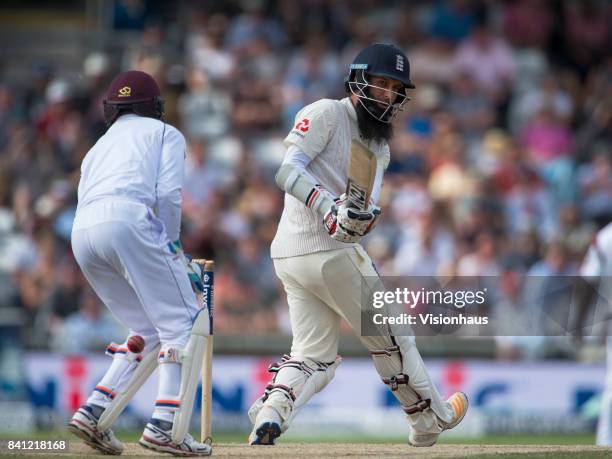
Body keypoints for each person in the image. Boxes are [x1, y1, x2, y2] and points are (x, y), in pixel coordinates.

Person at [248, 43, 468, 447]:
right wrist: (328, 206)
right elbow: (287, 169)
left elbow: (363, 208)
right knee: (393, 336)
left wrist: (358, 219)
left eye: (395, 88)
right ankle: (430, 419)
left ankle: (270, 413)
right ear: (358, 80)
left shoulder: (378, 147)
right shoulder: (327, 112)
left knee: (315, 356)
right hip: (323, 253)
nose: (388, 94)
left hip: (298, 256)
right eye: (381, 83)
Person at [67, 70, 212, 456]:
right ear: (154, 106)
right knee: (185, 322)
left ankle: (94, 410)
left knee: (146, 328)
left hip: (83, 231)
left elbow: (84, 196)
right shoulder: (165, 133)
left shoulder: (95, 148)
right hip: (131, 220)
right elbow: (168, 194)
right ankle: (165, 425)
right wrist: (173, 248)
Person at [575, 222, 612, 445]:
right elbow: (589, 280)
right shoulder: (605, 237)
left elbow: (589, 279)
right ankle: (606, 444)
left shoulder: (605, 237)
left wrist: (579, 321)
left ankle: (606, 443)